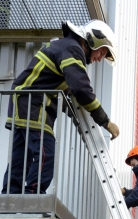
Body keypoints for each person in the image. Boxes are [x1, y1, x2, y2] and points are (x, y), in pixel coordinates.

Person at [2, 20, 119, 195]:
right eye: (102, 52)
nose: (100, 58)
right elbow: (81, 88)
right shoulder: (72, 50)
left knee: (21, 157)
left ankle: (9, 197)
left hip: (23, 102)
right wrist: (105, 121)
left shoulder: (64, 47)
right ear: (93, 40)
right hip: (33, 105)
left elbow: (65, 90)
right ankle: (33, 196)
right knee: (46, 154)